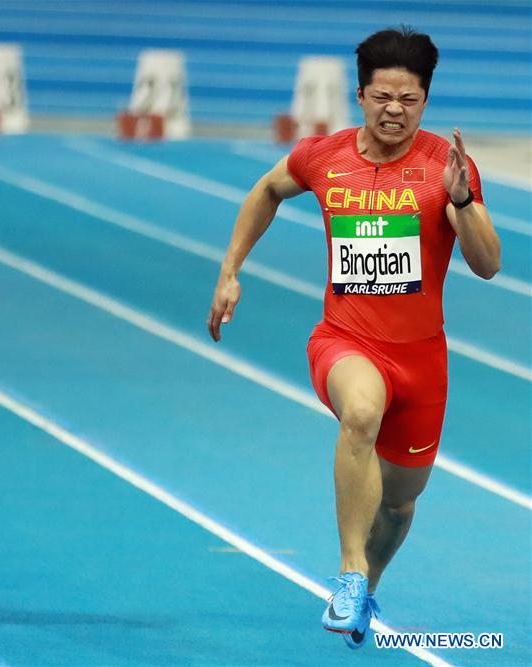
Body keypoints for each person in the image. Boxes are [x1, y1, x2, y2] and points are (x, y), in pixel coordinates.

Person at [207, 26, 500, 649]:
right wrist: (231, 270)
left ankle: (367, 586)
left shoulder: (445, 169)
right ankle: (348, 573)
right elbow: (266, 189)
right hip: (344, 342)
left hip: (421, 360)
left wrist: (465, 202)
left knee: (399, 503)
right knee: (360, 414)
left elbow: (488, 264)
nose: (395, 110)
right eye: (383, 96)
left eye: (410, 99)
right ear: (360, 94)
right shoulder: (323, 156)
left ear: (425, 102)